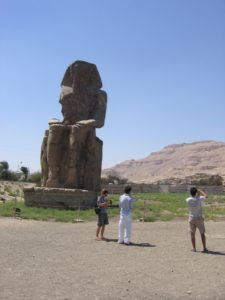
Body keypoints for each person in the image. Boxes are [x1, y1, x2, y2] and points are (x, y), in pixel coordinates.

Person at [186, 187, 208, 252]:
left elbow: (194, 198)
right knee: (202, 233)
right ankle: (204, 248)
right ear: (196, 193)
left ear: (190, 193)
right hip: (199, 218)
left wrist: (197, 193)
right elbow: (206, 196)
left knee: (192, 234)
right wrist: (200, 191)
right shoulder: (199, 199)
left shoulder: (188, 200)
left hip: (192, 218)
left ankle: (194, 248)